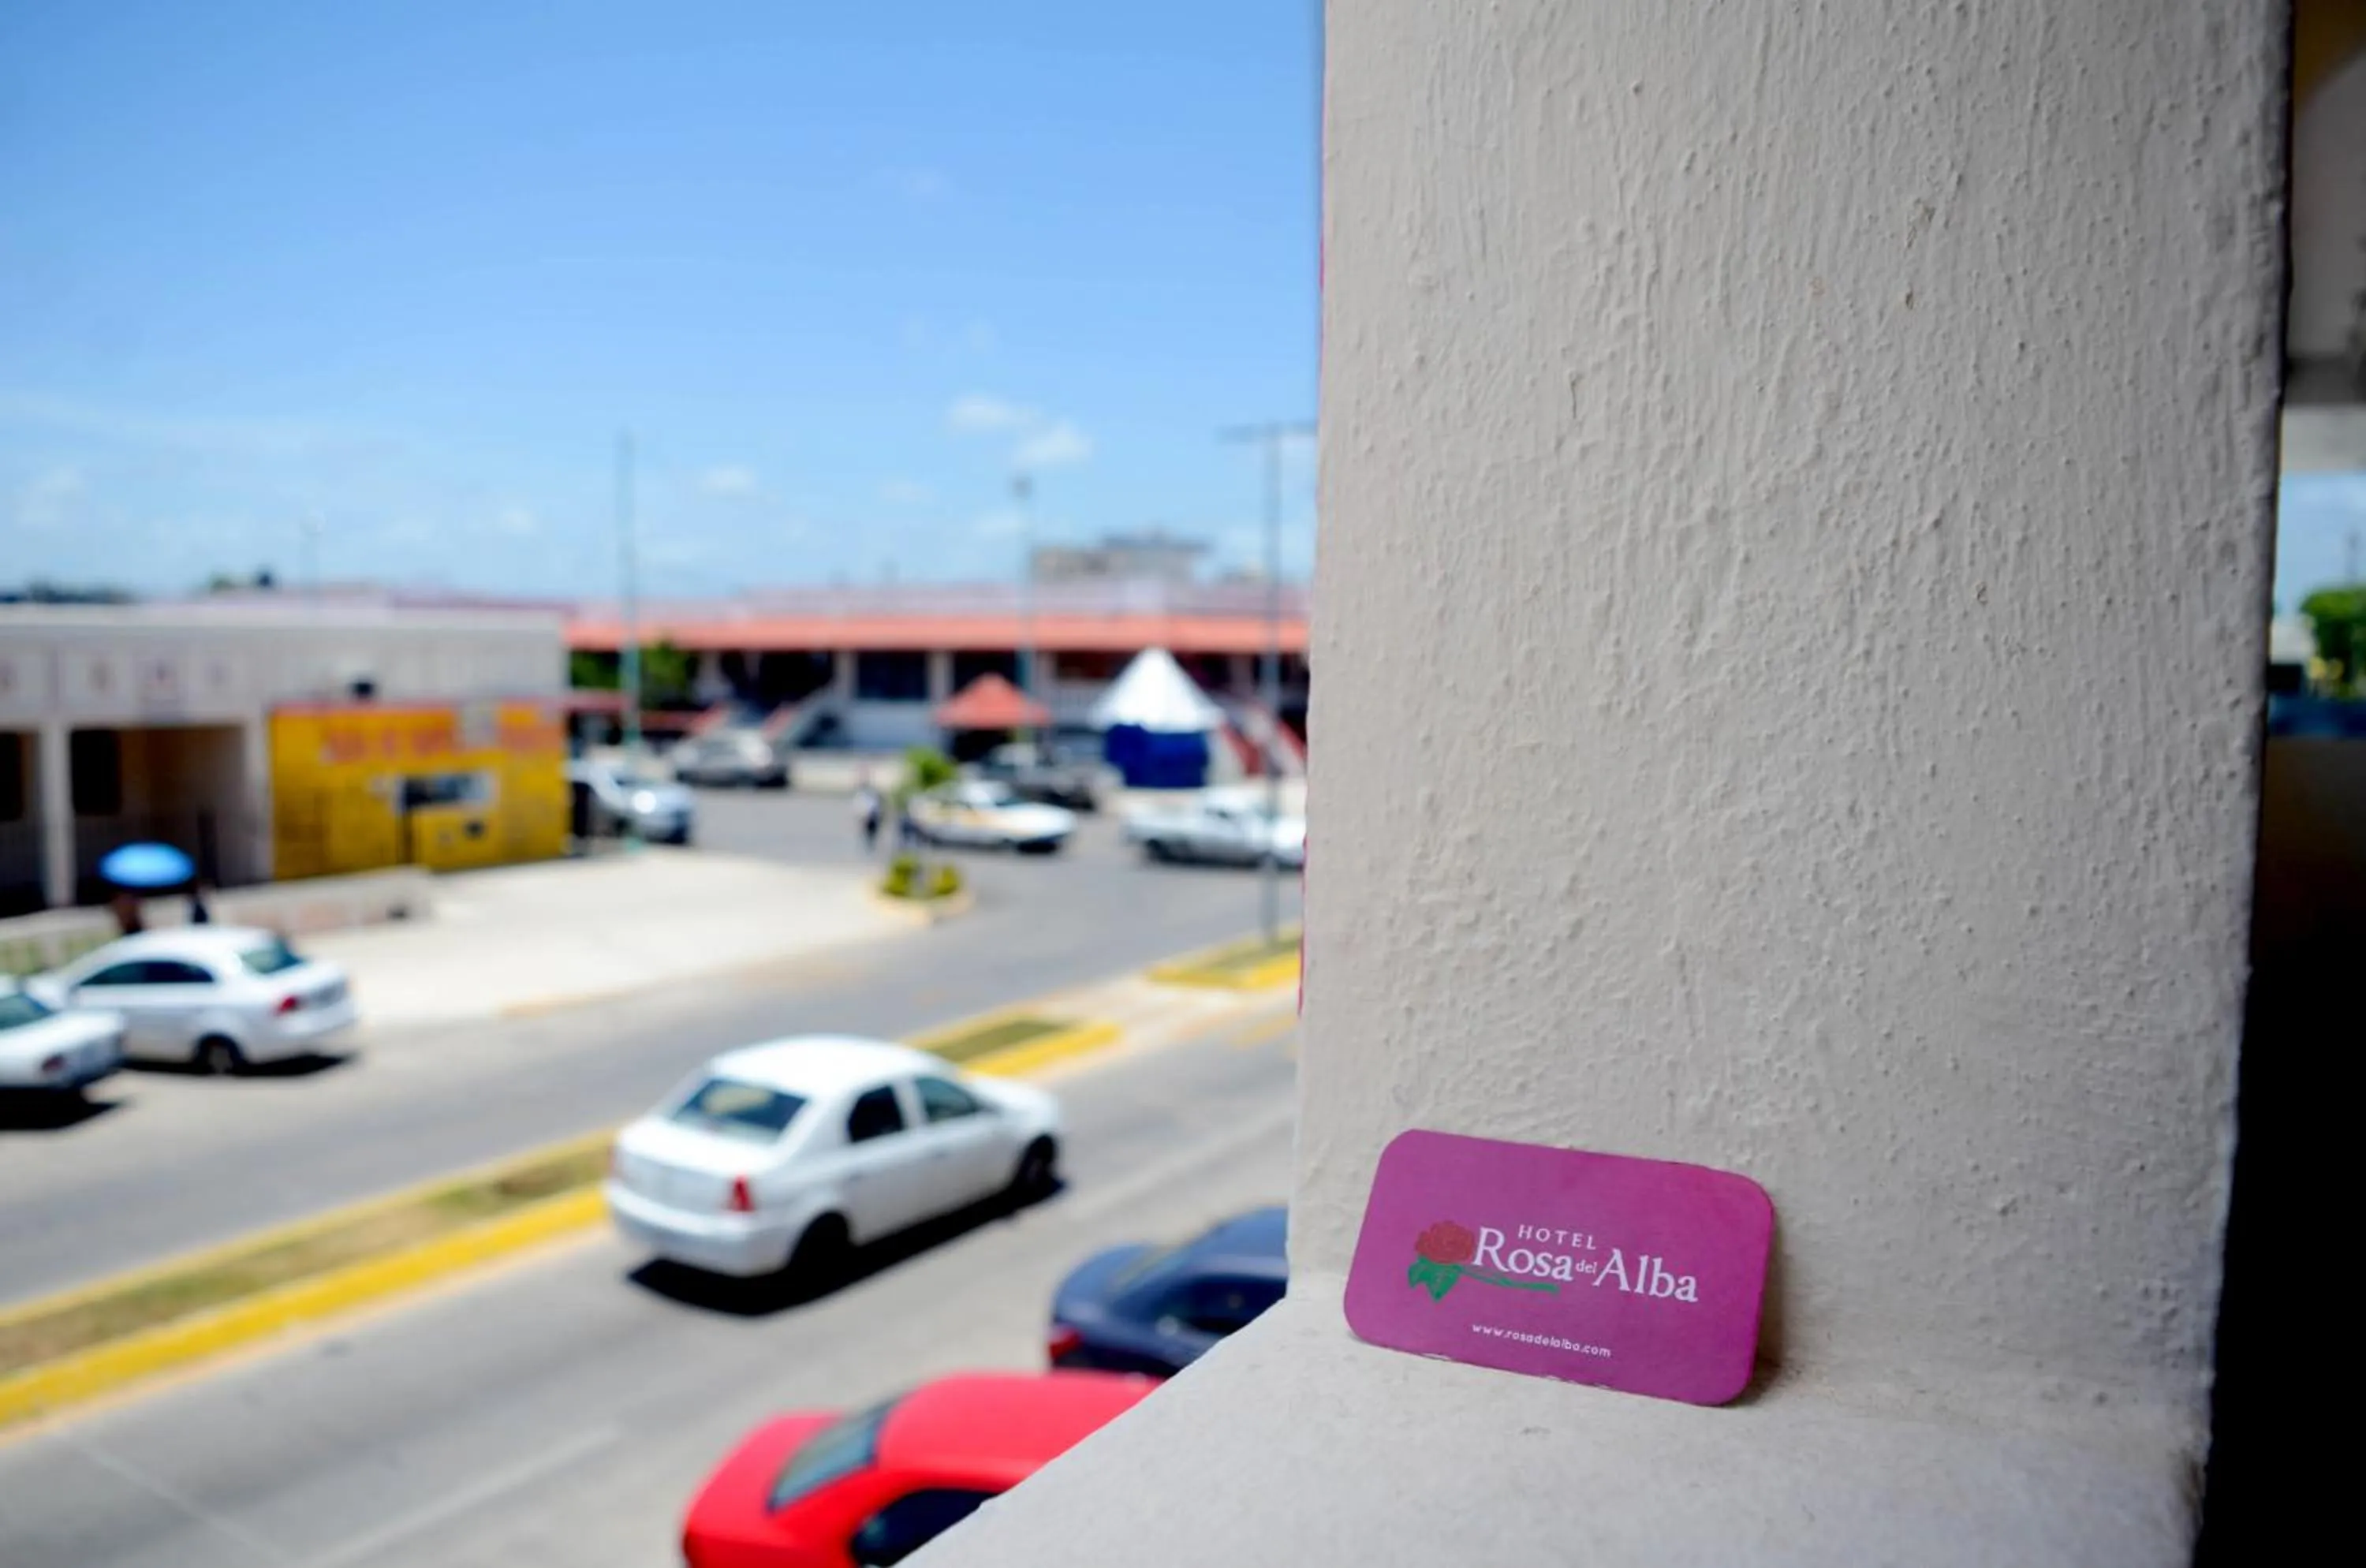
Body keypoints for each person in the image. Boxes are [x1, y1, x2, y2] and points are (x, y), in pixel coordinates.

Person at [853, 776, 883, 854]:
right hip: (869, 819)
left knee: (870, 836)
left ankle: (870, 848)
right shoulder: (863, 796)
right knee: (868, 837)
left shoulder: (868, 796)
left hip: (871, 819)